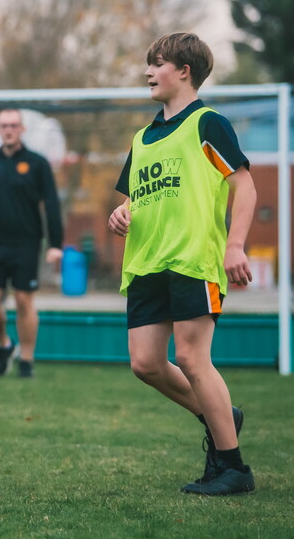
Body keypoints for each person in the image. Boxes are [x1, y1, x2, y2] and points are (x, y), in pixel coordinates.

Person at [108, 32, 256, 496]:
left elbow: (244, 185)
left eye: (156, 64)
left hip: (193, 259)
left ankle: (233, 468)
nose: (148, 72)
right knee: (146, 363)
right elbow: (137, 196)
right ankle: (221, 415)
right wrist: (121, 212)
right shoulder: (143, 137)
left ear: (184, 71)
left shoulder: (207, 123)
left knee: (192, 358)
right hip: (146, 263)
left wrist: (235, 246)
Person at [0, 109, 64, 378]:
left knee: (23, 300)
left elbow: (51, 204)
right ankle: (5, 345)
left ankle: (27, 360)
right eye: (4, 126)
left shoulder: (37, 163)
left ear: (22, 129)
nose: (8, 130)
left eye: (13, 125)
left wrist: (55, 244)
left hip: (26, 243)